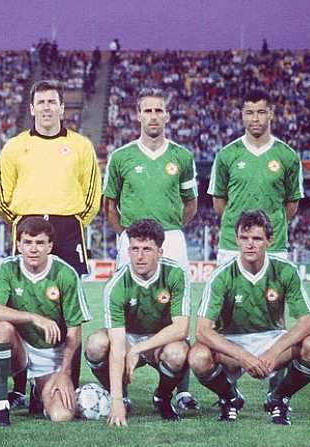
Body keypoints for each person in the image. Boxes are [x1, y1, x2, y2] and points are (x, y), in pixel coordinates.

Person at [0, 79, 101, 397]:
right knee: (18, 300)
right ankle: (18, 387)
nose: (46, 107)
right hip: (25, 226)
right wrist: (21, 222)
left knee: (70, 310)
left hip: (67, 228)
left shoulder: (81, 145)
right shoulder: (14, 146)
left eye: (51, 102)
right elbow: (3, 195)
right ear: (31, 108)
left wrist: (71, 221)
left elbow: (93, 194)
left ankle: (70, 380)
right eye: (40, 102)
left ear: (61, 106)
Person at [102, 88, 199, 410]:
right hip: (132, 238)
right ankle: (122, 388)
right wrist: (126, 235)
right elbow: (110, 205)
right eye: (148, 111)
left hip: (171, 237)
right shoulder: (122, 156)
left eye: (159, 111)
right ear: (138, 115)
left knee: (175, 309)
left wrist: (167, 231)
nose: (154, 116)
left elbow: (191, 204)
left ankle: (180, 390)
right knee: (127, 304)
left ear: (167, 116)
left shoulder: (182, 157)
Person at [189, 210, 310, 425]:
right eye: (244, 238)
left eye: (257, 238)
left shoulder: (285, 270)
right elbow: (202, 330)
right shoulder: (222, 275)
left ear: (269, 241)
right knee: (198, 356)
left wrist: (273, 353)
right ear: (236, 240)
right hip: (232, 342)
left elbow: (307, 321)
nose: (249, 244)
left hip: (271, 339)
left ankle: (279, 397)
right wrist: (243, 356)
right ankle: (229, 397)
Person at [0, 217, 91, 426]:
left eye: (40, 243)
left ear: (50, 246)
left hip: (51, 354)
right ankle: (0, 406)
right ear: (18, 245)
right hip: (20, 348)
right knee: (0, 328)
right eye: (28, 243)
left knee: (62, 415)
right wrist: (33, 317)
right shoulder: (8, 268)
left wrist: (64, 372)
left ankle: (38, 389)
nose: (33, 249)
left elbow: (75, 330)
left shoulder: (65, 273)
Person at [84, 219, 190, 425]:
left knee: (177, 354)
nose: (139, 256)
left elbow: (180, 328)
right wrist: (115, 402)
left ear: (160, 251)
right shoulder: (116, 284)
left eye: (147, 249)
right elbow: (116, 345)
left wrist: (138, 349)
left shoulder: (175, 274)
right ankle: (119, 395)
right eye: (134, 249)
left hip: (161, 340)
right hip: (127, 338)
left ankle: (163, 396)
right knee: (96, 344)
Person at [208, 89, 304, 265]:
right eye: (249, 113)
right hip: (232, 246)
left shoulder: (287, 155)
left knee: (274, 294)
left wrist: (271, 225)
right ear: (242, 115)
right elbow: (219, 202)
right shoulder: (226, 155)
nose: (255, 119)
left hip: (273, 246)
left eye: (261, 112)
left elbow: (292, 204)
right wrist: (238, 224)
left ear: (271, 114)